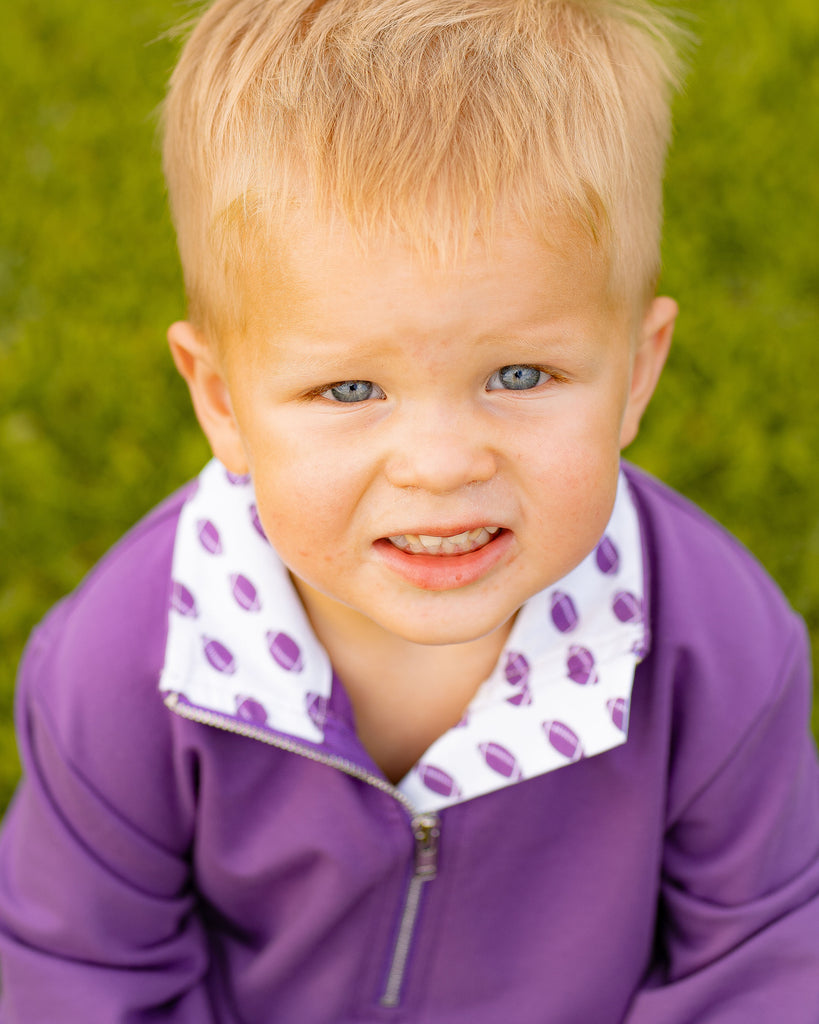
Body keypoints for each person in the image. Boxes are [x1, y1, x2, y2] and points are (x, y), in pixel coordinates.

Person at [0, 0, 817, 1019]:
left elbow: (754, 963)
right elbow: (80, 971)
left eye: (520, 373)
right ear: (221, 398)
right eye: (350, 391)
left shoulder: (719, 650)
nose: (439, 465)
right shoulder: (129, 661)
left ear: (637, 373)